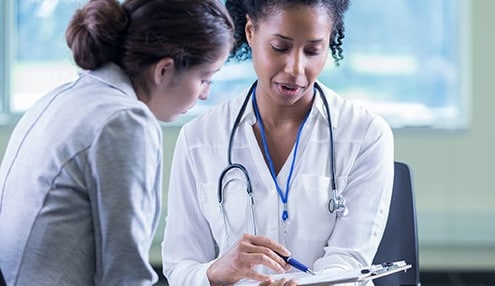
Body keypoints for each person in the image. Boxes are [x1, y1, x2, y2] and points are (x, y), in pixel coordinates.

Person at [0, 0, 233, 285]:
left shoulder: (64, 96)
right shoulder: (124, 121)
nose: (205, 95)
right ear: (164, 70)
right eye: (205, 79)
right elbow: (125, 274)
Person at [162, 0, 394, 285]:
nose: (296, 69)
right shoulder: (199, 139)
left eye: (312, 51)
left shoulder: (366, 135)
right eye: (280, 47)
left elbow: (349, 261)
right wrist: (215, 272)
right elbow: (181, 266)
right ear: (250, 31)